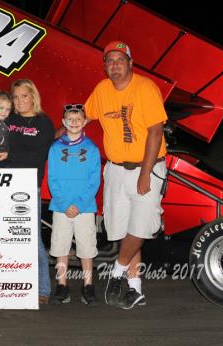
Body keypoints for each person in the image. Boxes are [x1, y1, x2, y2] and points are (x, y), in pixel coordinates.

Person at [85, 41, 168, 309]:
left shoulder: (145, 88)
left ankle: (117, 272)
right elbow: (83, 117)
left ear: (131, 63)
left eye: (120, 60)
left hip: (147, 167)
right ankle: (135, 289)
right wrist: (57, 134)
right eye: (109, 61)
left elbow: (156, 132)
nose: (115, 65)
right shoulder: (102, 90)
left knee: (141, 227)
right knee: (125, 229)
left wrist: (145, 174)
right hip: (116, 169)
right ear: (105, 67)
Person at [5, 79, 55, 304]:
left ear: (33, 96)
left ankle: (43, 288)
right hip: (3, 184)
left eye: (24, 96)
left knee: (32, 237)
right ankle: (8, 284)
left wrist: (4, 160)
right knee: (5, 237)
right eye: (15, 97)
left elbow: (36, 159)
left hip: (28, 187)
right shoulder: (8, 119)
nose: (19, 101)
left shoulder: (44, 123)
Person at [48, 104, 101, 305]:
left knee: (86, 248)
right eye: (70, 119)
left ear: (84, 121)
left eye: (78, 119)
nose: (74, 123)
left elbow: (94, 181)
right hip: (61, 207)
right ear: (63, 123)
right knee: (61, 248)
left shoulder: (92, 148)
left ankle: (88, 285)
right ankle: (62, 286)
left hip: (85, 208)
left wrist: (78, 204)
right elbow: (52, 179)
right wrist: (64, 204)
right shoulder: (55, 148)